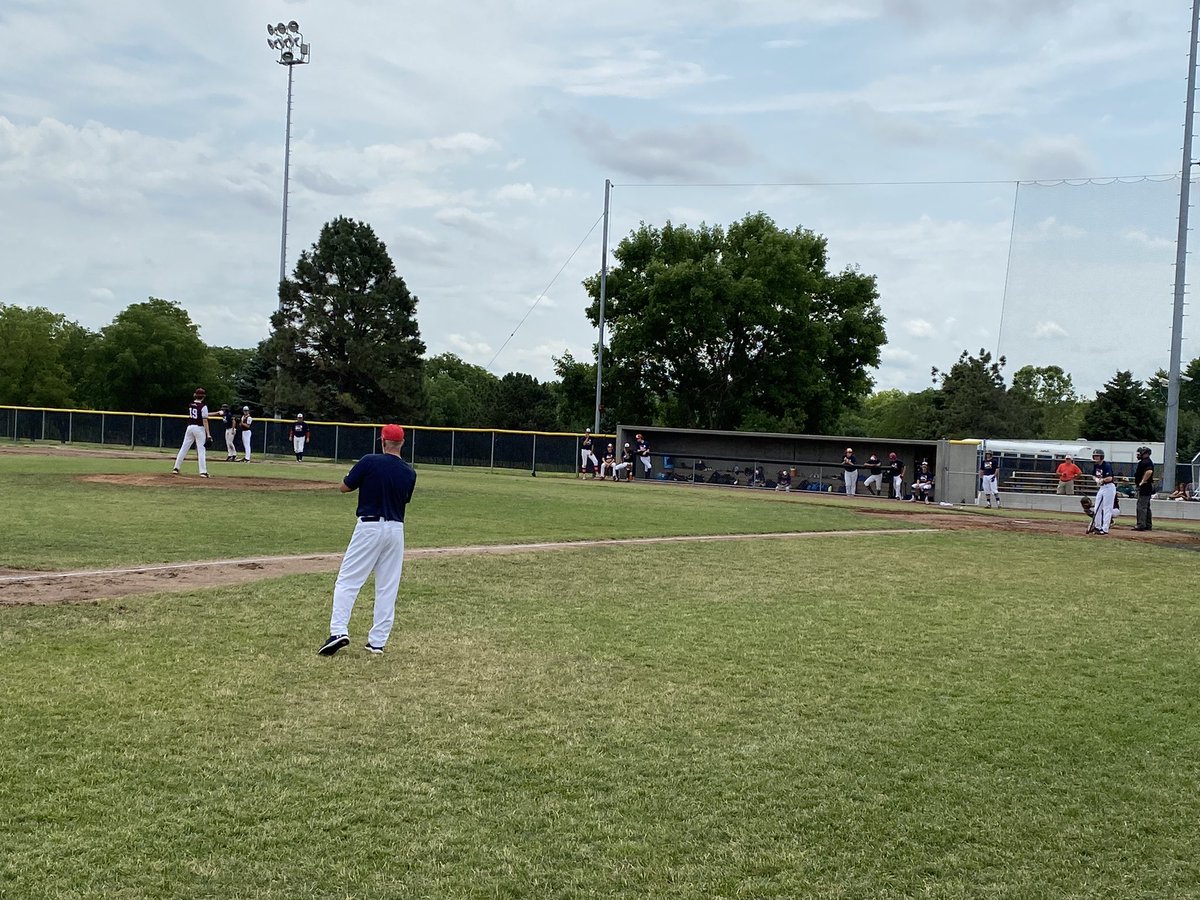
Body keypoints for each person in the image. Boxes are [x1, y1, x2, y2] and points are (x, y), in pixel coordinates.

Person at [318, 424, 417, 656]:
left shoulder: (369, 461)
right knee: (387, 586)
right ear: (402, 443)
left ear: (382, 441)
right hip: (396, 529)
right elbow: (404, 499)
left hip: (369, 526)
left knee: (348, 580)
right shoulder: (409, 472)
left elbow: (344, 487)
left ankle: (338, 631)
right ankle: (377, 642)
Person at [172, 387, 212, 478]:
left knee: (184, 448)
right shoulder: (203, 406)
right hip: (199, 428)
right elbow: (205, 420)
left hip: (190, 428)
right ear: (204, 396)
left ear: (195, 395)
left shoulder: (191, 405)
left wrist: (216, 413)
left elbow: (201, 413)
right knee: (201, 450)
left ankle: (176, 468)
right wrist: (208, 434)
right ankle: (203, 472)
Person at [1089, 448, 1116, 535]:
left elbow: (1110, 478)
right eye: (1095, 456)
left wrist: (1103, 480)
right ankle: (1097, 526)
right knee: (1097, 507)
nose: (1096, 458)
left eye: (1098, 456)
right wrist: (1096, 479)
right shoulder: (1096, 465)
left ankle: (1105, 529)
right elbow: (1093, 475)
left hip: (1109, 487)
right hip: (1102, 487)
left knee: (1107, 508)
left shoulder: (1106, 465)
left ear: (1101, 457)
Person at [1132, 446, 1154, 531]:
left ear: (1145, 454)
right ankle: (1148, 524)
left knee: (1141, 506)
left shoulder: (1146, 462)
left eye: (1140, 453)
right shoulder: (1146, 462)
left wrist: (1142, 482)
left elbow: (1149, 471)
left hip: (1145, 487)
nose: (1138, 455)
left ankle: (1141, 525)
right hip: (1146, 486)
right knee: (1146, 506)